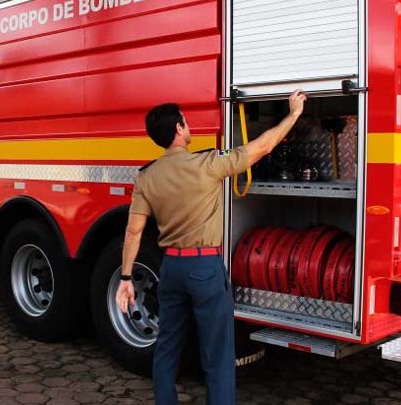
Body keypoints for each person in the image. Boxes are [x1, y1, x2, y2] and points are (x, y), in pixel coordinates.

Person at [116, 90, 307, 405]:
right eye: (186, 122)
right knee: (217, 351)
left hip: (171, 269)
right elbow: (264, 145)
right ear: (179, 129)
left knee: (166, 347)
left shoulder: (146, 177)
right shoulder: (206, 163)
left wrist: (126, 279)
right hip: (204, 269)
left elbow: (133, 230)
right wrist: (294, 114)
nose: (189, 127)